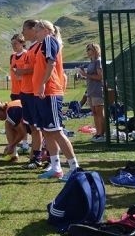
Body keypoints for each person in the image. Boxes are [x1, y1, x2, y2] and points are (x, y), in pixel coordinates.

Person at [33, 20, 79, 180]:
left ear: (45, 30)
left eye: (37, 31)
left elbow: (51, 63)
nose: (35, 34)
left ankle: (74, 168)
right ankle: (56, 167)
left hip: (50, 92)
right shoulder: (43, 43)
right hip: (44, 93)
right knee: (47, 131)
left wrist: (43, 84)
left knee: (57, 131)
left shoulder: (49, 40)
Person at [16, 19, 47, 170]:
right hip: (26, 92)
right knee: (33, 127)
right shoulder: (30, 49)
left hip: (34, 93)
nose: (22, 33)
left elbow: (39, 69)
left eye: (24, 29)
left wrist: (23, 71)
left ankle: (40, 156)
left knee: (38, 127)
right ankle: (35, 156)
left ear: (33, 29)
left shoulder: (40, 47)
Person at [78, 43, 105, 142]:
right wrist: (83, 75)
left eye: (89, 49)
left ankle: (102, 134)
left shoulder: (98, 61)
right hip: (91, 90)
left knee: (99, 113)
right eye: (87, 49)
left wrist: (86, 74)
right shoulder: (91, 62)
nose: (87, 51)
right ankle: (97, 133)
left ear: (95, 50)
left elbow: (100, 77)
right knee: (94, 113)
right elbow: (91, 76)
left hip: (97, 90)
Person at [9, 33, 30, 153]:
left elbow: (28, 73)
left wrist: (19, 74)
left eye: (16, 43)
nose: (14, 46)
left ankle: (26, 143)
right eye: (12, 44)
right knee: (16, 119)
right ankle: (21, 142)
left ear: (22, 43)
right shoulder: (12, 56)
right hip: (15, 92)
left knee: (25, 118)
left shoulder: (27, 55)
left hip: (25, 91)